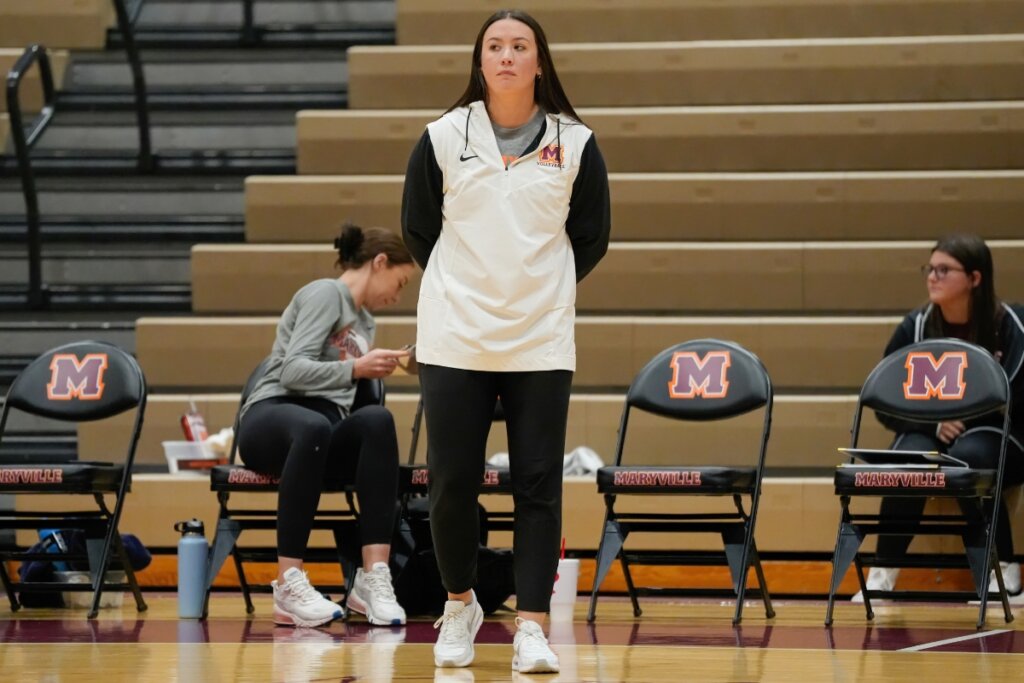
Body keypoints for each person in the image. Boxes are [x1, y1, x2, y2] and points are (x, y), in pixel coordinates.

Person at [401, 8, 610, 674]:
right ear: (480, 61)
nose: (508, 56)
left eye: (520, 46)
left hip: (540, 336)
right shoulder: (441, 136)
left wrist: (537, 286)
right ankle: (459, 602)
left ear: (539, 61)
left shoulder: (576, 143)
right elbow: (416, 230)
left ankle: (532, 625)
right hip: (455, 331)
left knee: (539, 484)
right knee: (454, 481)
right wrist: (469, 286)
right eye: (495, 46)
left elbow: (592, 237)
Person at [236, 223, 417, 628]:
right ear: (380, 262)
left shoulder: (365, 322)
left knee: (377, 421)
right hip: (272, 417)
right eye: (399, 282)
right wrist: (356, 367)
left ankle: (372, 578)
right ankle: (288, 582)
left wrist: (383, 370)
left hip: (320, 431)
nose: (398, 296)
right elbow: (290, 371)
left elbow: (350, 397)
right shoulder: (326, 293)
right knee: (314, 426)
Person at [854, 234, 1024, 602]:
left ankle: (1002, 572)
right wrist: (930, 424)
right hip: (931, 430)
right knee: (907, 459)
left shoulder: (1011, 324)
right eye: (929, 269)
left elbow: (1017, 394)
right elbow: (885, 401)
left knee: (971, 456)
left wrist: (968, 414)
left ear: (975, 279)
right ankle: (883, 575)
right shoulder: (914, 328)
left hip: (998, 433)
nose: (933, 277)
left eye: (944, 270)